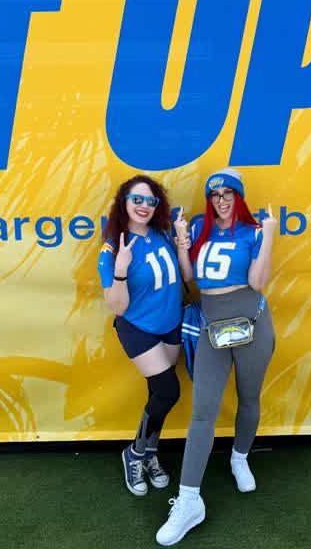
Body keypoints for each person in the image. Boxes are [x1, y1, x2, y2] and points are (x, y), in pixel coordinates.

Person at [156, 168, 277, 545]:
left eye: (228, 194)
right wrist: (182, 243)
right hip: (212, 330)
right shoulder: (200, 228)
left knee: (249, 397)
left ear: (239, 197)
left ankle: (239, 458)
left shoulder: (254, 231)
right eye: (215, 195)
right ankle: (189, 500)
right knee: (202, 412)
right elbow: (189, 276)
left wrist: (269, 235)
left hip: (253, 326)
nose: (221, 201)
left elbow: (258, 282)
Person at [98, 175, 183, 497]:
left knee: (156, 394)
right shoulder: (112, 248)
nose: (144, 206)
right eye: (137, 199)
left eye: (151, 200)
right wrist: (121, 268)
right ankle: (134, 453)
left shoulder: (161, 234)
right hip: (138, 328)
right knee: (168, 391)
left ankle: (150, 453)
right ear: (124, 203)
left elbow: (180, 276)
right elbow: (118, 307)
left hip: (171, 324)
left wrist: (182, 243)